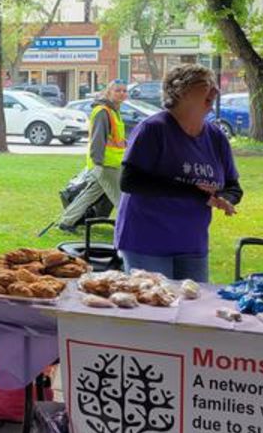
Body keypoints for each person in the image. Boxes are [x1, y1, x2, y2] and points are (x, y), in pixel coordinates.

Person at [115, 64, 241, 281]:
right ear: (181, 92)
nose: (215, 91)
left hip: (192, 242)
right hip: (146, 240)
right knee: (155, 307)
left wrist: (224, 198)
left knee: (192, 308)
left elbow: (233, 186)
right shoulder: (153, 129)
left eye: (215, 85)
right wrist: (192, 191)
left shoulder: (216, 137)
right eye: (206, 85)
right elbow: (130, 181)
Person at [58, 80, 129, 233]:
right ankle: (131, 229)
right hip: (105, 164)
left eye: (124, 90)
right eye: (118, 90)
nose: (122, 93)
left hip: (111, 162)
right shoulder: (103, 111)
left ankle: (66, 222)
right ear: (109, 92)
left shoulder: (114, 110)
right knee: (121, 199)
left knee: (89, 194)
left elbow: (116, 138)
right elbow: (98, 138)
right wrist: (98, 163)